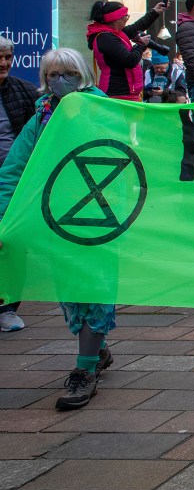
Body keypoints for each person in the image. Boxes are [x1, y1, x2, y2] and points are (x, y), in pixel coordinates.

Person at [0, 49, 114, 408]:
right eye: (51, 75)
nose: (58, 80)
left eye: (66, 73)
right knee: (71, 291)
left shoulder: (105, 111)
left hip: (101, 219)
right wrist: (5, 218)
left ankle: (85, 370)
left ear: (82, 74)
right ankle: (96, 348)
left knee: (93, 287)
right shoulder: (42, 116)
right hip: (58, 219)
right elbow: (15, 168)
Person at [0, 38, 39, 332]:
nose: (4, 63)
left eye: (8, 57)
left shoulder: (25, 92)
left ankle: (7, 307)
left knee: (12, 244)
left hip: (14, 182)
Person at [85, 0, 165, 101]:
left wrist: (154, 12)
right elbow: (129, 60)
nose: (127, 19)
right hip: (117, 94)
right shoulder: (106, 37)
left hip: (127, 93)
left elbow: (136, 27)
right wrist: (140, 44)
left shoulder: (114, 33)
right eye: (126, 16)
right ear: (115, 19)